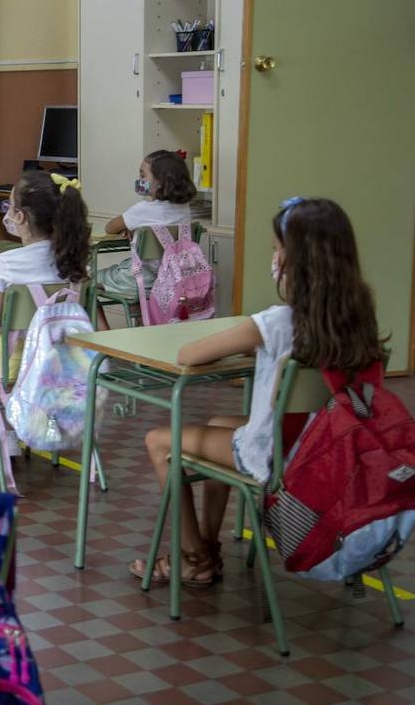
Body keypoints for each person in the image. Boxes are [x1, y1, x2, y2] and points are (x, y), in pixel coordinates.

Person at [130, 198, 387, 586]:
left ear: (295, 260)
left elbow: (189, 354)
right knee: (218, 423)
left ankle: (193, 556)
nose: (274, 258)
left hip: (275, 455)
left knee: (158, 441)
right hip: (330, 446)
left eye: (277, 249)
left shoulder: (275, 321)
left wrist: (252, 339)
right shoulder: (358, 315)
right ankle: (209, 549)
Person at [0, 171, 91, 379]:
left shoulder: (4, 264)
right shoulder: (78, 262)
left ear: (20, 217)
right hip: (64, 359)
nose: (6, 214)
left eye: (8, 207)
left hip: (14, 361)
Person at [95, 150, 197, 327]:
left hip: (142, 281)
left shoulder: (142, 210)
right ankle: (144, 327)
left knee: (87, 282)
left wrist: (130, 227)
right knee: (135, 284)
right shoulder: (184, 210)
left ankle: (104, 338)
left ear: (161, 183)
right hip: (174, 280)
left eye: (143, 175)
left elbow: (110, 227)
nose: (139, 179)